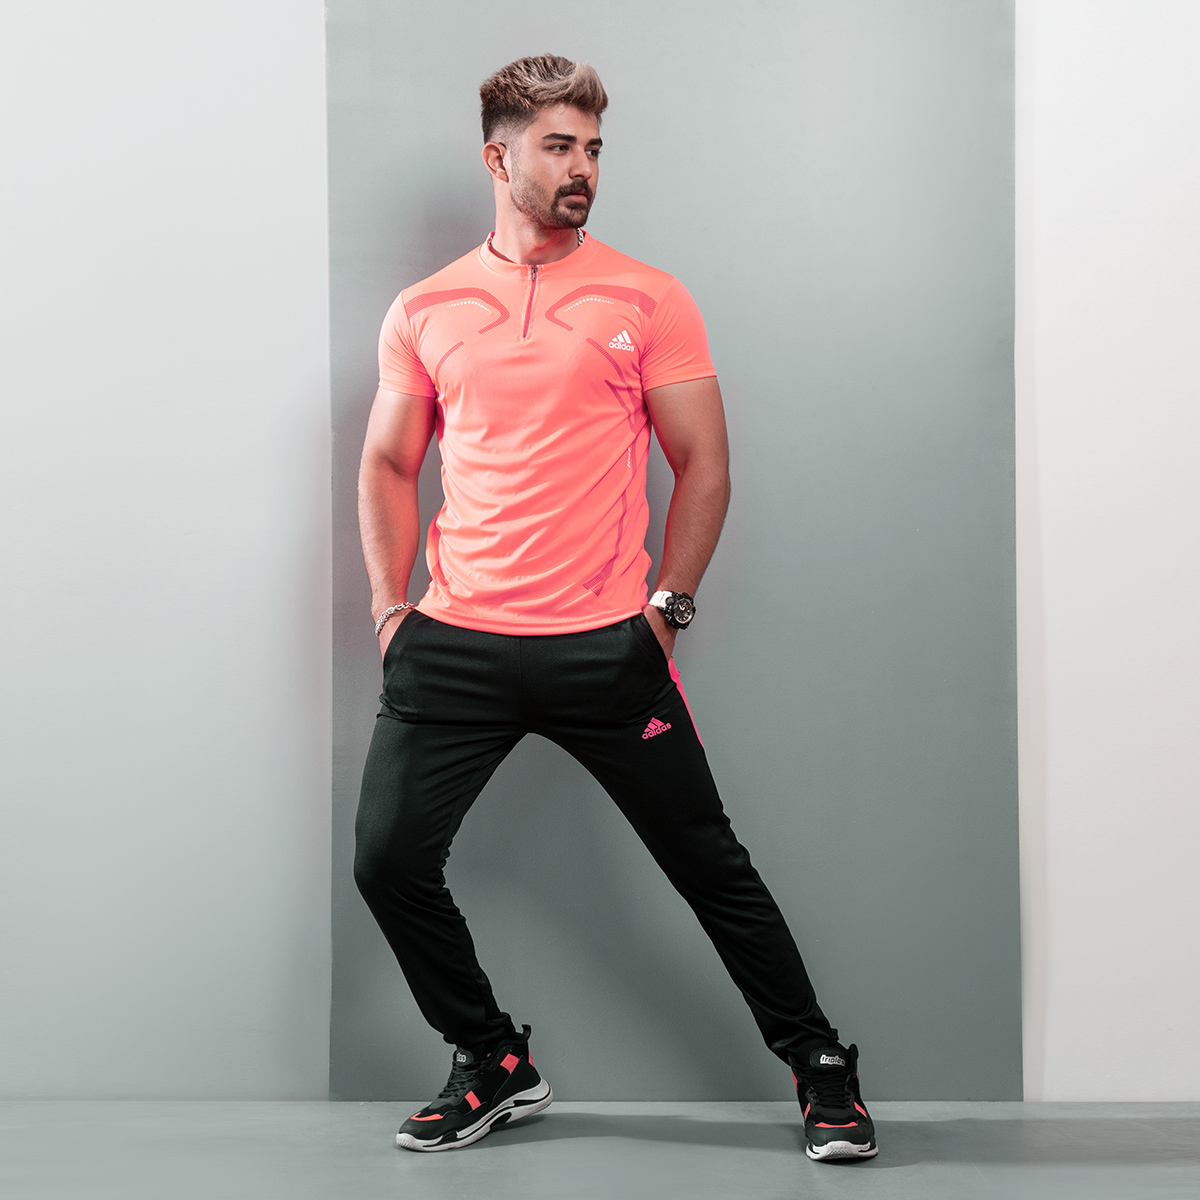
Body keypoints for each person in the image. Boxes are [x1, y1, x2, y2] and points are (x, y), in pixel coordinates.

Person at [354, 54, 877, 1163]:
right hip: (455, 645)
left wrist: (665, 612)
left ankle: (821, 1065)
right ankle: (492, 1059)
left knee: (710, 869)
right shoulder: (425, 307)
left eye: (592, 147)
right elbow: (389, 462)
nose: (583, 166)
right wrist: (392, 612)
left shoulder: (650, 297)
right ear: (498, 158)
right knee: (386, 862)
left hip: (606, 649)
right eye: (559, 146)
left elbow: (706, 465)